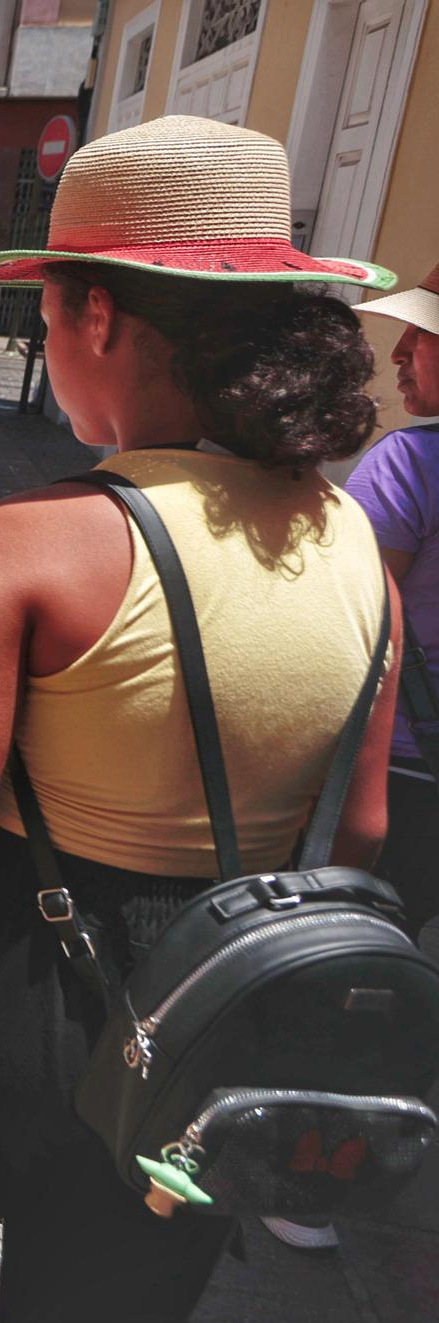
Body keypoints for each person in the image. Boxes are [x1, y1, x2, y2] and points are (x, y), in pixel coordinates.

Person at [0, 116, 401, 1323]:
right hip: (211, 1004)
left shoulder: (33, 542)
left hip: (2, 981)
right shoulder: (356, 547)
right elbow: (355, 831)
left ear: (97, 318)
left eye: (47, 318)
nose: (48, 342)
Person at [346, 262, 439, 943]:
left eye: (423, 333)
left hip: (404, 768)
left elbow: (355, 627)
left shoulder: (407, 462)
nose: (399, 352)